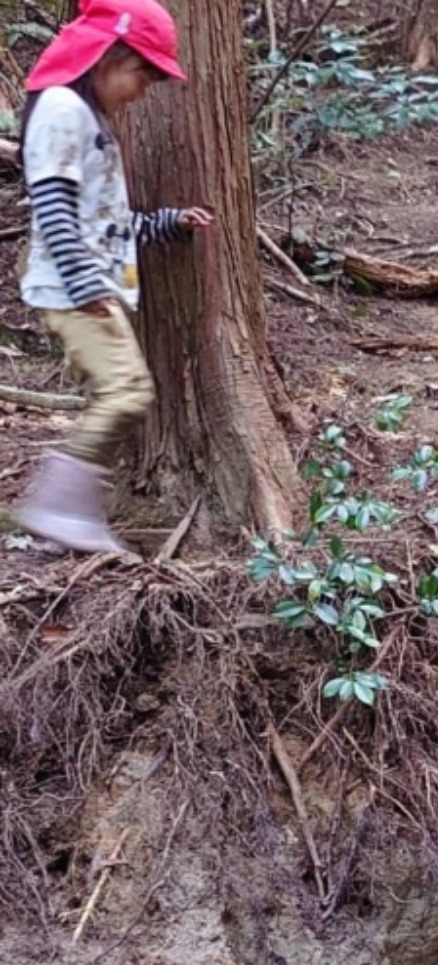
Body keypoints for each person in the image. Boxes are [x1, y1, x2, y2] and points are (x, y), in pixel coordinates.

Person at [12, 0, 212, 555]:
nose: (143, 90)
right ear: (108, 56)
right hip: (77, 293)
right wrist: (86, 285)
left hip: (87, 288)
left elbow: (109, 225)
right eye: (142, 74)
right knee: (127, 392)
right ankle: (57, 509)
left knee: (115, 393)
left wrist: (168, 223)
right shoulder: (61, 109)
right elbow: (51, 208)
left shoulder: (88, 120)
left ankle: (61, 523)